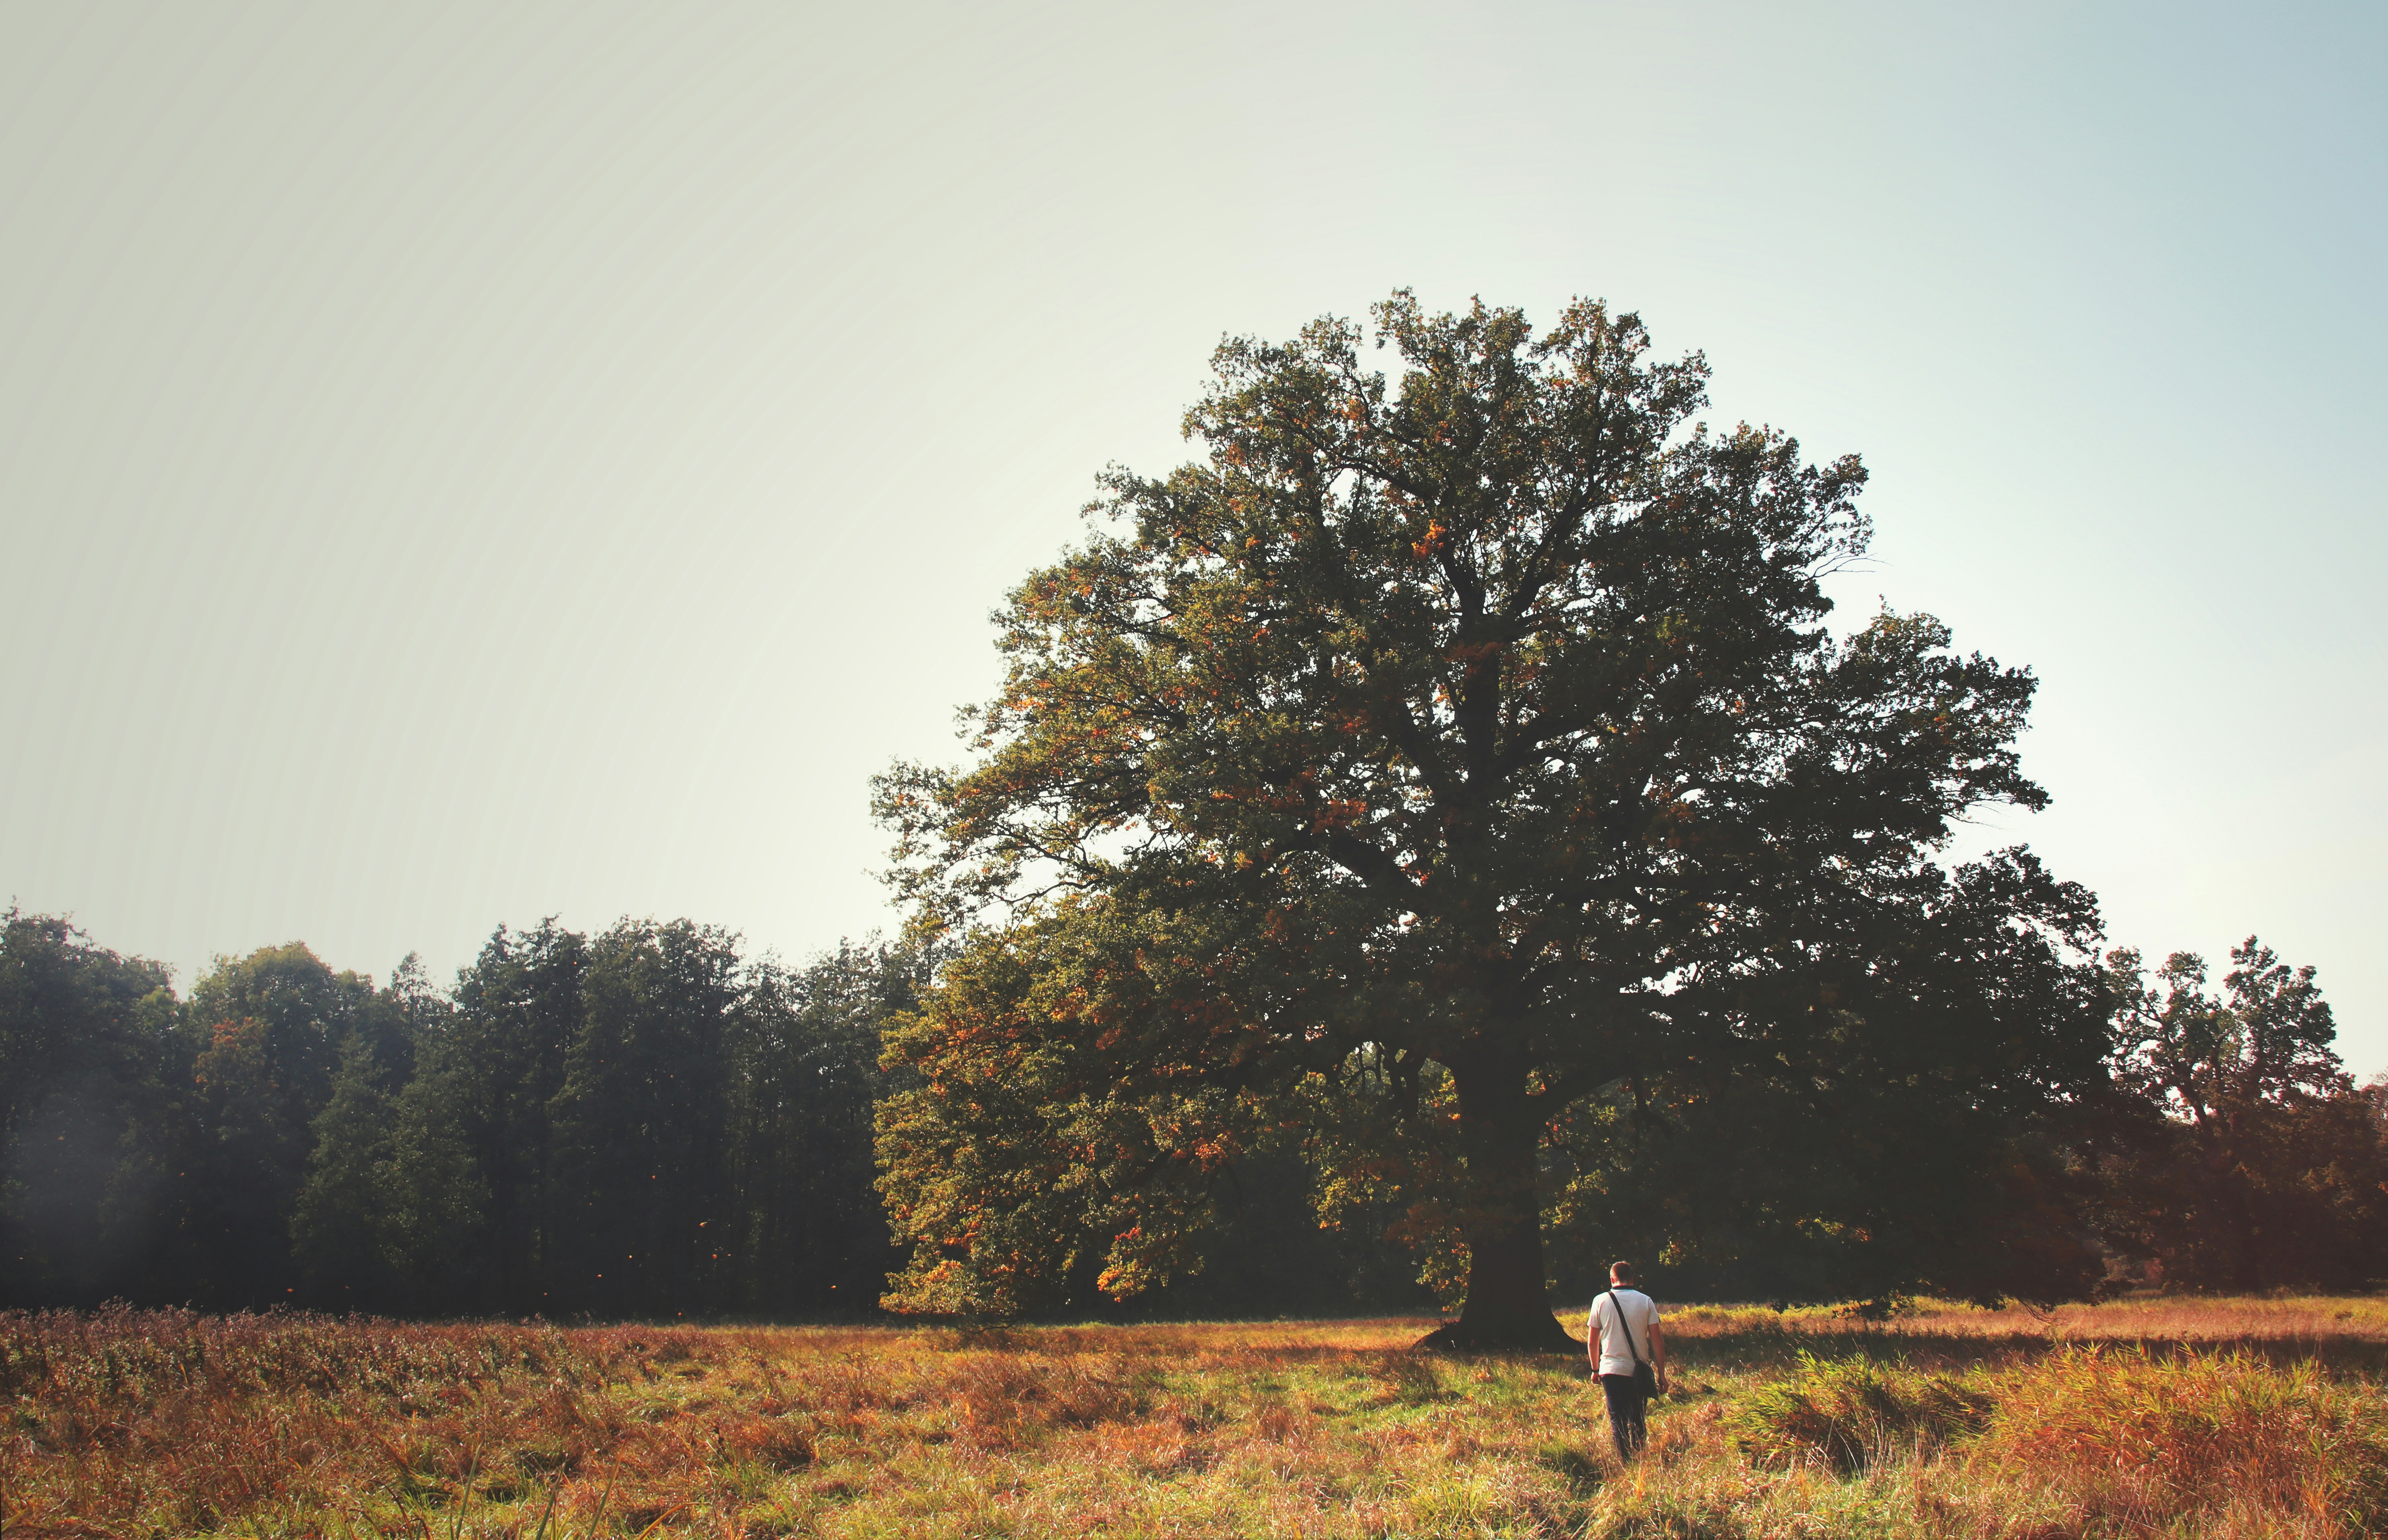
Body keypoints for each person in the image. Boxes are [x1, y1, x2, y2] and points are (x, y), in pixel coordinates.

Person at [1587, 1260, 1666, 1460]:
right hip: (1637, 1370)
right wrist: (1662, 1375)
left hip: (1611, 1370)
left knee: (1618, 1419)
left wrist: (1595, 1370)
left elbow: (1592, 1341)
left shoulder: (1600, 1301)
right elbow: (1657, 1341)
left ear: (1612, 1279)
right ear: (1632, 1279)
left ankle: (1625, 1461)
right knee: (1638, 1418)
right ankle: (1640, 1459)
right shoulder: (1646, 1301)